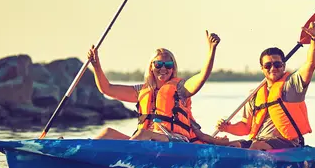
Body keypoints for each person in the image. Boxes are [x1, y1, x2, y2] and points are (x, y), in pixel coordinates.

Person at [88, 31, 222, 143]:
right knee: (108, 132)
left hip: (177, 143)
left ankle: (128, 158)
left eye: (168, 65)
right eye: (158, 64)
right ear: (151, 67)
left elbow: (202, 76)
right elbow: (107, 89)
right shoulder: (141, 90)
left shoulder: (180, 88)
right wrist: (96, 65)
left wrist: (212, 50)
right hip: (147, 144)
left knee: (143, 134)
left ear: (172, 68)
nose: (163, 68)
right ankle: (83, 155)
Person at [215, 21, 315, 150]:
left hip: (287, 143)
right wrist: (227, 128)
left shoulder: (291, 86)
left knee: (257, 146)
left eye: (277, 65)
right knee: (232, 146)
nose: (273, 68)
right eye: (268, 66)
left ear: (283, 66)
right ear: (262, 68)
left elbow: (310, 65)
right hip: (258, 141)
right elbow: (245, 127)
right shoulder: (254, 94)